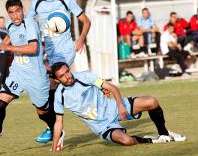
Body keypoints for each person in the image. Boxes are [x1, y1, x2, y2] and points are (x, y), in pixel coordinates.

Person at [51, 62, 186, 152]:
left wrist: (120, 106)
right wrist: (54, 148)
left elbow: (112, 88)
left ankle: (164, 134)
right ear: (57, 80)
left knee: (151, 101)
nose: (67, 76)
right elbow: (58, 123)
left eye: (67, 71)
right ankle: (152, 140)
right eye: (62, 76)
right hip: (103, 126)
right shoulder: (59, 96)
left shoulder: (85, 76)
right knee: (127, 141)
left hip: (114, 108)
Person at [29, 0, 91, 142]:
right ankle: (87, 92)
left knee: (49, 86)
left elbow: (86, 20)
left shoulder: (65, 0)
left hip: (65, 51)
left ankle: (54, 128)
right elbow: (28, 25)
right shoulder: (36, 3)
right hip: (49, 54)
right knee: (51, 88)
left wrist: (80, 39)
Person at [0, 0, 56, 140]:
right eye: (11, 12)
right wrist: (3, 45)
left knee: (42, 112)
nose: (15, 16)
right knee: (0, 103)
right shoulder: (10, 25)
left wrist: (7, 47)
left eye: (17, 11)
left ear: (22, 9)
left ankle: (54, 128)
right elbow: (9, 38)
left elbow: (33, 48)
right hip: (18, 73)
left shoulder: (29, 23)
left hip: (35, 76)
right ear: (8, 13)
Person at [0, 16, 10, 86]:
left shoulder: (6, 30)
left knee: (5, 74)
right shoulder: (3, 32)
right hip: (1, 55)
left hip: (6, 56)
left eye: (3, 22)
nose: (2, 23)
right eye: (0, 22)